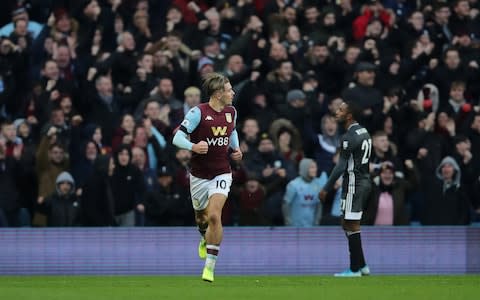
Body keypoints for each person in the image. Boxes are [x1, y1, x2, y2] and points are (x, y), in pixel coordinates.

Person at [172, 72, 241, 282]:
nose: (233, 93)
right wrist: (193, 146)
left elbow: (232, 131)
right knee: (202, 218)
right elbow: (177, 137)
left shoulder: (231, 112)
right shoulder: (197, 112)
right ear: (218, 93)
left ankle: (209, 268)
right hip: (199, 176)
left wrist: (236, 148)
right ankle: (204, 237)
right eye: (229, 90)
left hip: (222, 172)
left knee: (214, 215)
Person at [319, 101, 372, 277]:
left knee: (351, 223)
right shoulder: (363, 131)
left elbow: (341, 166)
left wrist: (326, 188)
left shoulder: (349, 137)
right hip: (363, 180)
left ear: (349, 116)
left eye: (341, 109)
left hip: (354, 183)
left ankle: (354, 269)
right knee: (346, 222)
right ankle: (362, 265)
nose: (337, 111)